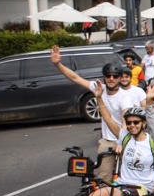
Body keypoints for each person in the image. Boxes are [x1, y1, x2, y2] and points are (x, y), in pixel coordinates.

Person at [49, 45, 144, 181]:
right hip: (107, 140)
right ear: (104, 77)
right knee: (104, 178)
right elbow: (75, 78)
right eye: (108, 76)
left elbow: (125, 120)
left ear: (119, 78)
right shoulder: (99, 88)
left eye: (115, 76)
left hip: (124, 139)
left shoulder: (125, 97)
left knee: (130, 177)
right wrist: (58, 64)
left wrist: (121, 142)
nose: (111, 79)